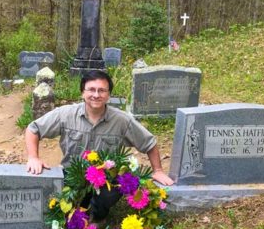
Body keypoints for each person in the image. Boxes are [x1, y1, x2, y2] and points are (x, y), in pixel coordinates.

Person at [25, 69, 174, 221]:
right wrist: (33, 157)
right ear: (82, 92)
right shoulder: (65, 114)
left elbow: (149, 142)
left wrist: (158, 170)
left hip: (106, 181)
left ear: (108, 95)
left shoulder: (121, 120)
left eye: (102, 90)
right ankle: (77, 218)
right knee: (61, 203)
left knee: (109, 195)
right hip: (73, 177)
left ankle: (97, 220)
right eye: (91, 89)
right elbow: (33, 129)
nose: (96, 95)